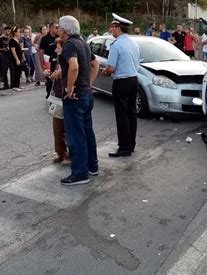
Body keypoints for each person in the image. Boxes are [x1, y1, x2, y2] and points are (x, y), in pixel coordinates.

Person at [58, 15, 99, 186]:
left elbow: (73, 66)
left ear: (65, 30)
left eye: (59, 27)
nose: (57, 29)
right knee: (88, 131)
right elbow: (95, 64)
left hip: (75, 97)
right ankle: (92, 166)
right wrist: (88, 83)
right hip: (86, 94)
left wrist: (69, 88)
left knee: (76, 135)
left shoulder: (69, 45)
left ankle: (80, 173)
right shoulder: (83, 43)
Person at [102, 13, 140, 158]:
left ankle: (124, 147)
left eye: (112, 27)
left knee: (122, 115)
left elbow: (110, 68)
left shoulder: (116, 45)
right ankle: (131, 144)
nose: (111, 29)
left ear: (118, 28)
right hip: (133, 79)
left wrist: (104, 73)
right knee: (131, 113)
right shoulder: (133, 43)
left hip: (121, 82)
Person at [49, 37, 70, 166]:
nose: (56, 49)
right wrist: (51, 75)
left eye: (58, 47)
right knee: (57, 127)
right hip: (56, 97)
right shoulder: (58, 61)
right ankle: (60, 152)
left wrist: (59, 74)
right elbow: (56, 76)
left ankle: (69, 154)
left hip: (65, 97)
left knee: (67, 128)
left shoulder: (68, 60)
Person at [39, 22, 58, 98]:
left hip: (58, 62)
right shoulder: (45, 39)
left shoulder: (59, 37)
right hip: (49, 63)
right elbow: (41, 53)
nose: (57, 29)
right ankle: (49, 95)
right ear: (50, 28)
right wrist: (42, 65)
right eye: (55, 27)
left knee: (57, 81)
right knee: (50, 81)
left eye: (57, 27)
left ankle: (56, 96)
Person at [9, 26, 26, 92]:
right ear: (15, 32)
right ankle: (15, 86)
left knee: (19, 71)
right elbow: (13, 51)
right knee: (16, 72)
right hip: (15, 58)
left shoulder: (17, 39)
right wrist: (17, 59)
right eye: (19, 32)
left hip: (19, 57)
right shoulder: (12, 41)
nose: (20, 33)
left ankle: (18, 84)